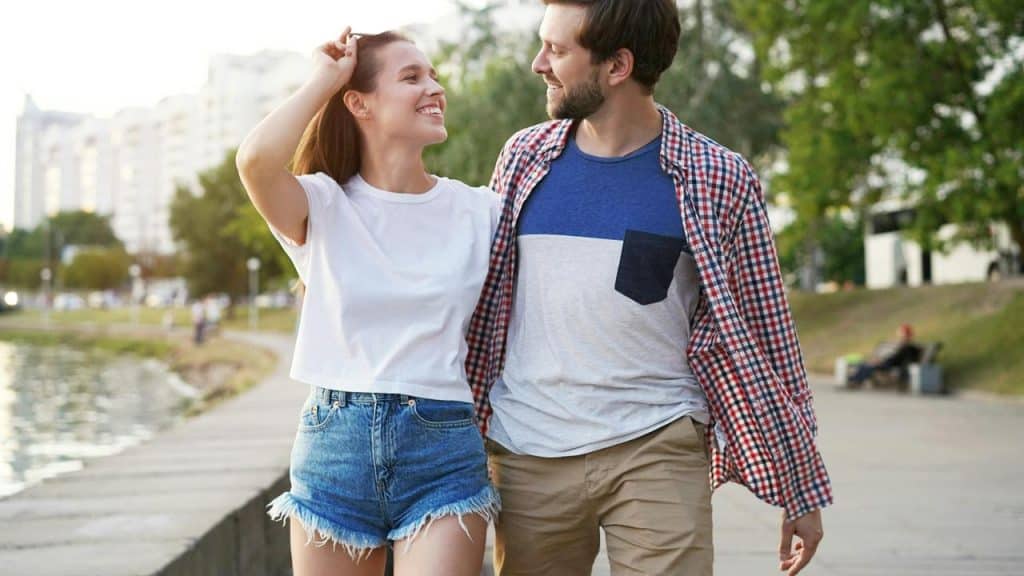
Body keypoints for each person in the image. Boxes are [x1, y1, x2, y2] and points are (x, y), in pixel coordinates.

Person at [465, 2, 833, 575]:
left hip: (657, 444)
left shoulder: (719, 177)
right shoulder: (523, 158)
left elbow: (769, 334)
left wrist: (800, 488)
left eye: (557, 50)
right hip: (528, 450)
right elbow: (479, 299)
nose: (538, 63)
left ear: (617, 66)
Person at [236, 28, 500, 576]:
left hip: (443, 452)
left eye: (432, 75)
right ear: (360, 103)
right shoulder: (322, 204)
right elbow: (256, 160)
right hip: (335, 452)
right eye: (412, 77)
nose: (435, 87)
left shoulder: (480, 211)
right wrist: (324, 79)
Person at [848, 324, 923, 386]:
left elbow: (895, 358)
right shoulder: (903, 345)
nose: (900, 337)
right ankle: (854, 379)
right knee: (865, 364)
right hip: (889, 363)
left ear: (906, 335)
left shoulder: (907, 347)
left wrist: (881, 361)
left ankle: (855, 381)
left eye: (901, 334)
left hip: (892, 365)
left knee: (869, 366)